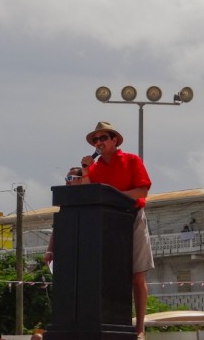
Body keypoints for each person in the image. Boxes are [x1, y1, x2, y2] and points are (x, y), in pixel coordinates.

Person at [80, 121, 154, 340]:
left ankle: (140, 328)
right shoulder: (93, 167)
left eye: (104, 138)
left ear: (114, 140)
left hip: (132, 218)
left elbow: (143, 190)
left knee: (137, 275)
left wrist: (114, 195)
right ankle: (109, 322)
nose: (99, 142)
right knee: (107, 277)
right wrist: (85, 171)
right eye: (96, 139)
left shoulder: (131, 160)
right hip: (107, 223)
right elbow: (87, 194)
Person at [44, 167, 83, 267]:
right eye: (66, 179)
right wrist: (49, 250)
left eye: (70, 178)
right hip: (67, 249)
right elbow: (57, 227)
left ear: (81, 179)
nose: (67, 182)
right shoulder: (65, 202)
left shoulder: (93, 199)